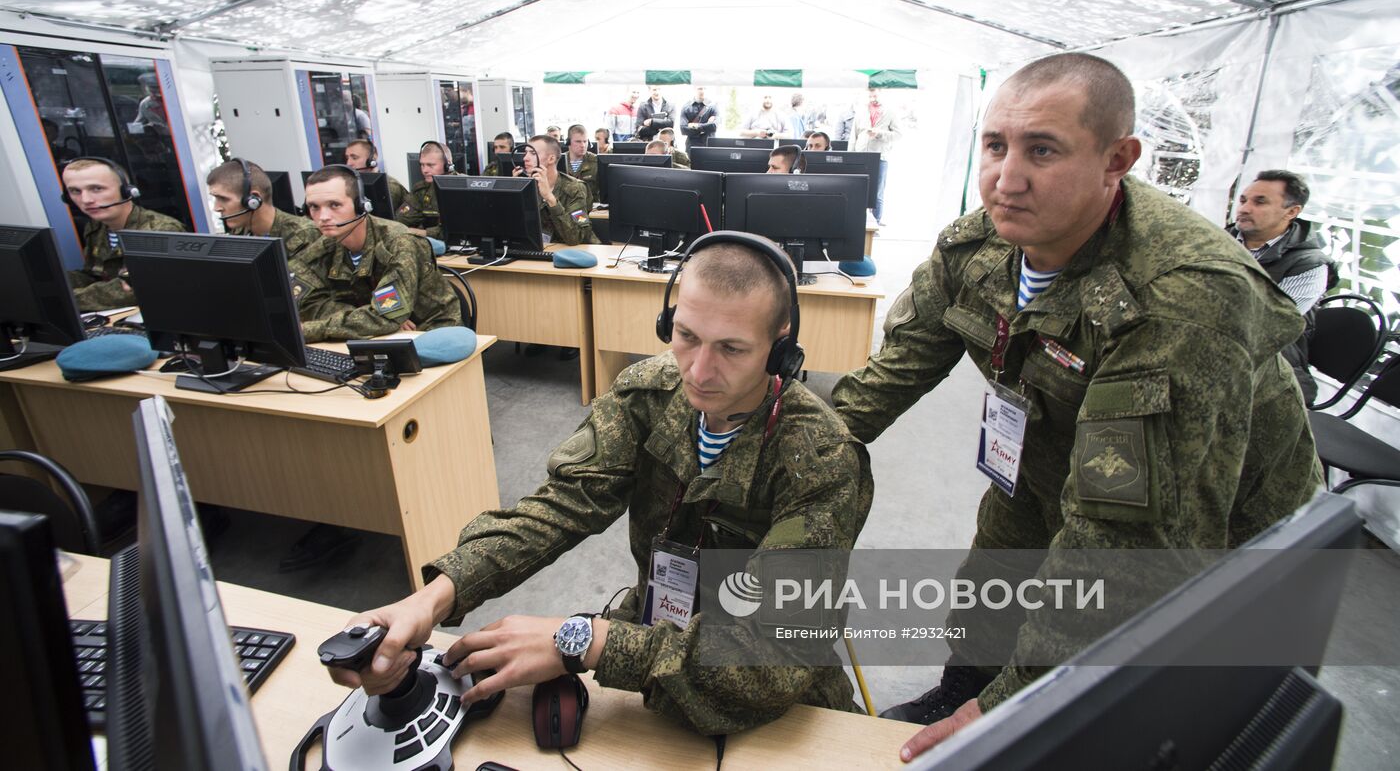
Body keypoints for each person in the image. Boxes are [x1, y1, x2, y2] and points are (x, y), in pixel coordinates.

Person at [830, 53, 1321, 762]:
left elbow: (1129, 543)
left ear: (1116, 159)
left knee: (1145, 702)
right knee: (996, 573)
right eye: (995, 146)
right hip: (1042, 458)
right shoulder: (979, 246)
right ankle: (961, 688)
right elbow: (893, 371)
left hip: (1220, 533)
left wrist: (1010, 708)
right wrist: (793, 452)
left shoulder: (1181, 293)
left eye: (1043, 150)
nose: (1007, 177)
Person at [323, 232, 873, 735]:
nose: (699, 372)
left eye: (731, 349)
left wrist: (585, 640)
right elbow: (561, 506)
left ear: (781, 347)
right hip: (659, 623)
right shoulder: (648, 394)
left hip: (774, 685)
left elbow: (769, 657)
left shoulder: (820, 456)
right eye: (685, 336)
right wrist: (432, 599)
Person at [292, 165, 462, 343]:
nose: (323, 216)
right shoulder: (322, 247)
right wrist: (369, 315)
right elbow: (306, 303)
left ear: (361, 205)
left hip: (431, 331)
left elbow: (386, 317)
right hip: (375, 334)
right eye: (314, 207)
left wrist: (313, 330)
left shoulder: (398, 243)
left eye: (334, 205)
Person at [1228, 170, 1336, 404]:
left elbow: (1266, 326)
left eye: (1260, 202)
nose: (1244, 208)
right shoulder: (1219, 240)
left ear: (1292, 211)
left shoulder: (1310, 265)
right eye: (1243, 200)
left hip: (1270, 368)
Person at [61, 157, 185, 312]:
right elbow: (94, 275)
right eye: (75, 191)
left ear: (126, 191)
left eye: (97, 189)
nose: (86, 200)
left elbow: (135, 290)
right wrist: (52, 282)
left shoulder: (159, 231)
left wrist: (63, 299)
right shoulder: (96, 226)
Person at [205, 159, 318, 259]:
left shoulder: (304, 234)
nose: (216, 208)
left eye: (223, 199)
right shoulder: (240, 232)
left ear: (253, 200)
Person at [511, 135, 599, 245]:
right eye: (525, 153)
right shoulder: (527, 187)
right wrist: (515, 195)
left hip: (577, 252)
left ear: (551, 159)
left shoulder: (575, 188)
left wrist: (550, 198)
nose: (525, 158)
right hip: (543, 250)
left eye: (533, 153)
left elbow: (576, 238)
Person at [850, 88, 900, 224]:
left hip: (880, 156)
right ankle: (857, 221)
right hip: (861, 156)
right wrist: (851, 156)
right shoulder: (861, 112)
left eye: (875, 96)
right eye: (870, 96)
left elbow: (898, 135)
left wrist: (879, 133)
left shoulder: (890, 112)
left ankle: (876, 222)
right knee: (858, 189)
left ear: (881, 94)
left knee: (877, 191)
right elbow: (853, 136)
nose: (873, 99)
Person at [396, 141, 456, 239]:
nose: (424, 170)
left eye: (430, 165)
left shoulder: (462, 188)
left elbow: (453, 229)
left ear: (448, 166)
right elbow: (401, 219)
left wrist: (420, 232)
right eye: (422, 165)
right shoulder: (420, 189)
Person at [344, 139, 408, 210]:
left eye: (354, 158)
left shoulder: (389, 186)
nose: (348, 163)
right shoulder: (353, 184)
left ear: (372, 158)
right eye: (347, 158)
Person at [562, 124, 600, 207]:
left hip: (590, 208)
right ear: (568, 142)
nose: (583, 145)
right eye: (578, 141)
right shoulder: (559, 161)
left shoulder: (596, 161)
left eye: (585, 141)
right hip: (565, 208)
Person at [680, 85, 718, 150]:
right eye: (700, 88)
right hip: (692, 146)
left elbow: (714, 126)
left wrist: (695, 126)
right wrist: (706, 127)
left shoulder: (713, 106)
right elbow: (683, 129)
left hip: (709, 145)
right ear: (694, 89)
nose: (702, 91)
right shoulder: (686, 107)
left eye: (704, 88)